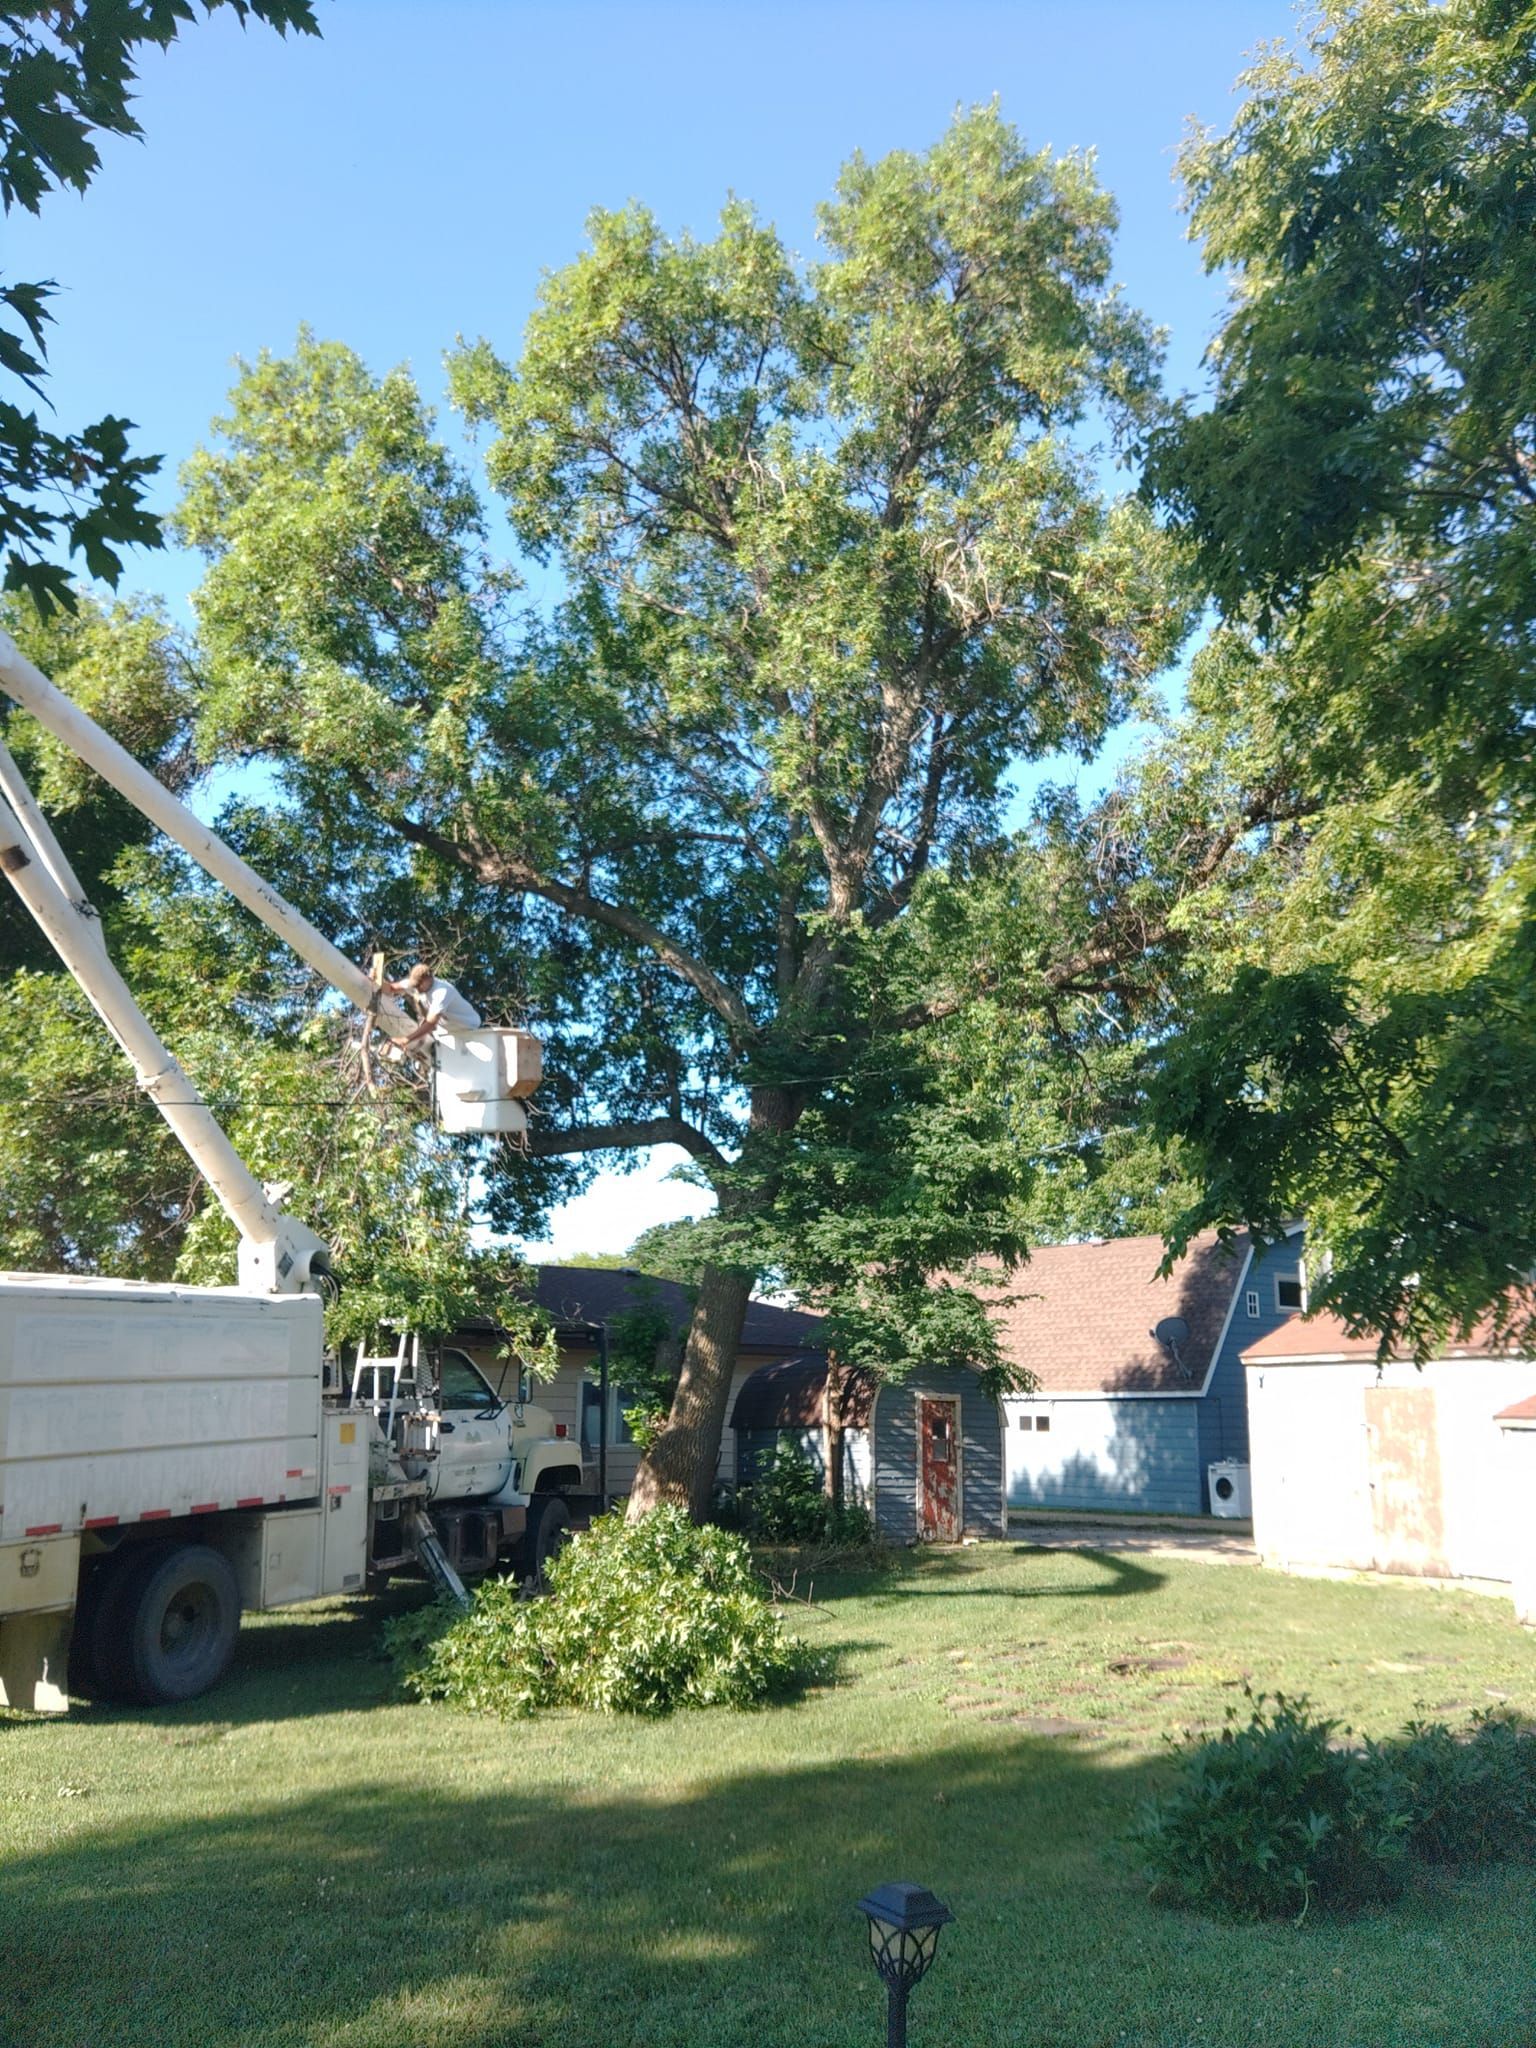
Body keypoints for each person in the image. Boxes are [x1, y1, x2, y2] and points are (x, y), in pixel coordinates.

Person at [384, 962, 482, 1059]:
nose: (417, 989)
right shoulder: (415, 984)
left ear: (428, 978)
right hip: (447, 1029)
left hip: (468, 1028)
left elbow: (431, 1023)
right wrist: (374, 982)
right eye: (414, 986)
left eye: (419, 985)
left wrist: (405, 1040)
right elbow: (391, 988)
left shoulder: (442, 992)